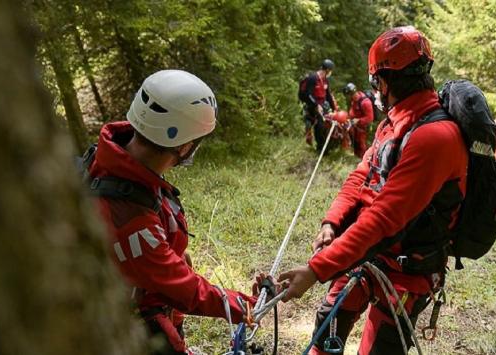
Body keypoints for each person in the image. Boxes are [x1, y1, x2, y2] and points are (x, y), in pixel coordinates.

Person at [278, 26, 469, 354]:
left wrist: (315, 270)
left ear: (381, 82)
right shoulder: (395, 122)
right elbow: (362, 176)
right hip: (365, 255)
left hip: (405, 272)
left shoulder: (434, 137)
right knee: (326, 332)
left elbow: (385, 218)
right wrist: (332, 223)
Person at [87, 70, 258, 355]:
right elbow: (181, 288)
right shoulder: (130, 215)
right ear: (184, 145)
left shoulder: (116, 160)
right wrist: (238, 305)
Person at [299, 59, 338, 151]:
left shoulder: (325, 80)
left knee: (323, 125)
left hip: (322, 105)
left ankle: (324, 147)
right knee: (319, 126)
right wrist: (316, 105)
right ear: (328, 70)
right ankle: (320, 148)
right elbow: (308, 94)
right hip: (312, 105)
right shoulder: (313, 78)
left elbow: (328, 95)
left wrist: (334, 108)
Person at [342, 83, 375, 158]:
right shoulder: (354, 100)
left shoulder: (365, 102)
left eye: (348, 95)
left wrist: (358, 120)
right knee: (355, 141)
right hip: (356, 125)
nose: (348, 97)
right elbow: (352, 111)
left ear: (352, 93)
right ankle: (356, 157)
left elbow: (370, 118)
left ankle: (364, 159)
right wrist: (348, 118)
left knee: (361, 143)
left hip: (364, 126)